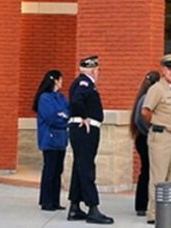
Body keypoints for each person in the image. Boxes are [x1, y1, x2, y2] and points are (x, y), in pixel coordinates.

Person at [141, 54, 171, 225]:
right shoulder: (157, 89)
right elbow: (145, 112)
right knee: (159, 177)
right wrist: (156, 124)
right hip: (161, 136)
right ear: (163, 70)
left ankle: (170, 212)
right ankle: (154, 213)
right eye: (169, 69)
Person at [66, 55, 114, 223]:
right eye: (97, 70)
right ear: (93, 70)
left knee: (80, 167)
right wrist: (84, 116)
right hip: (85, 130)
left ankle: (74, 206)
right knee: (86, 167)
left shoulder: (80, 83)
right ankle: (93, 208)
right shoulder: (85, 83)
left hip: (82, 130)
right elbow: (77, 101)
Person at [32, 69, 69, 211]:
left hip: (61, 139)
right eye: (60, 80)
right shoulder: (45, 98)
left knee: (58, 170)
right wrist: (62, 117)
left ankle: (55, 200)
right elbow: (51, 117)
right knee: (50, 170)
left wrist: (63, 116)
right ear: (55, 80)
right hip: (50, 138)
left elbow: (68, 111)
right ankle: (46, 201)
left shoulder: (60, 97)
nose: (62, 83)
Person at [129, 71, 160, 218]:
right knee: (148, 171)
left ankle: (141, 204)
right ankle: (142, 204)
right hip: (146, 138)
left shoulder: (142, 96)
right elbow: (140, 119)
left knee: (146, 171)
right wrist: (151, 132)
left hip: (142, 138)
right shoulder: (147, 98)